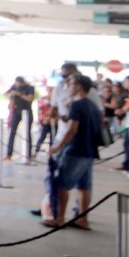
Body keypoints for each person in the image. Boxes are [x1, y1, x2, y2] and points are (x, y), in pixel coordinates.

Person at [45, 75, 102, 228]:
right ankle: (83, 219)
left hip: (76, 149)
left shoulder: (77, 105)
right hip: (89, 150)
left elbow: (72, 129)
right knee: (84, 186)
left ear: (79, 86)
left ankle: (59, 218)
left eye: (70, 84)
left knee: (63, 184)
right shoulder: (92, 105)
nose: (68, 87)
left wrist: (57, 147)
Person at [4, 76, 35, 161]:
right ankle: (9, 154)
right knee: (12, 132)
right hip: (16, 112)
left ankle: (28, 155)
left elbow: (30, 99)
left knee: (27, 133)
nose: (18, 85)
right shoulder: (14, 87)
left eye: (19, 83)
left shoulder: (30, 88)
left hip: (27, 112)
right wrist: (12, 94)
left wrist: (20, 94)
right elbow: (6, 94)